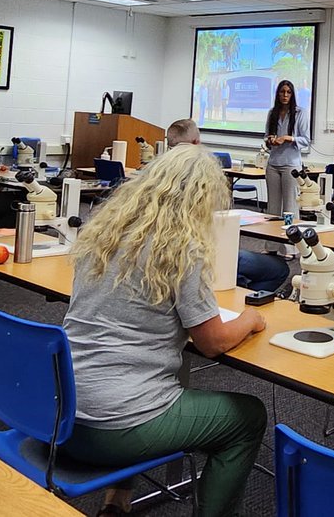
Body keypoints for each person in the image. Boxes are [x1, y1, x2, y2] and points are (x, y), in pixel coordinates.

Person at [62, 143, 267, 517]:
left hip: (58, 410)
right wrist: (250, 319)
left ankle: (116, 501)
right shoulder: (181, 248)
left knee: (130, 374)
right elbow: (213, 343)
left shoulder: (102, 234)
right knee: (248, 417)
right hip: (114, 427)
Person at [166, 118, 288, 293]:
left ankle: (238, 287)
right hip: (202, 255)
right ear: (196, 142)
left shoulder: (155, 175)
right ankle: (244, 301)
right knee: (279, 269)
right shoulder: (203, 172)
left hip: (170, 254)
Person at [264, 80, 309, 217]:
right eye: (282, 92)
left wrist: (289, 138)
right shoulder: (272, 113)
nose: (285, 95)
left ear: (292, 95)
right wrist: (271, 140)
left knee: (290, 207)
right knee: (273, 208)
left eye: (288, 92)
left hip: (291, 166)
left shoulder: (300, 112)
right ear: (277, 94)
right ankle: (271, 237)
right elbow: (266, 137)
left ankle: (291, 237)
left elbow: (306, 140)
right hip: (273, 164)